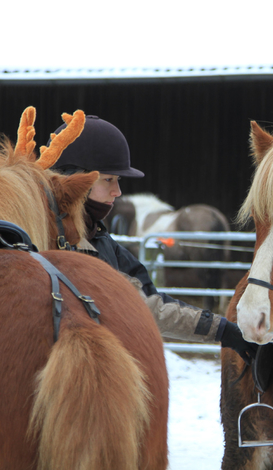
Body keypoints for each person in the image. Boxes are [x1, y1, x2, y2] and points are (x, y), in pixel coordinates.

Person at [51, 115, 257, 364]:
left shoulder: (101, 242)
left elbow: (150, 305)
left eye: (118, 181)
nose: (118, 192)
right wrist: (222, 330)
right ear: (75, 180)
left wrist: (223, 330)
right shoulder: (46, 242)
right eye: (108, 180)